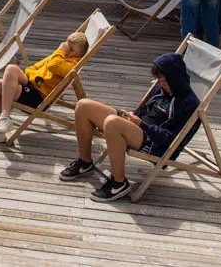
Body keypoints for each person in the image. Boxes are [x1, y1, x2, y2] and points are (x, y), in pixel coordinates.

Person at [58, 53, 200, 202]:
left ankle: (119, 183)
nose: (161, 84)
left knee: (112, 122)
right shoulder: (161, 89)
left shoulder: (189, 104)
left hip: (153, 141)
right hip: (138, 126)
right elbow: (145, 111)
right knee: (83, 106)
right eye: (159, 80)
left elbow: (170, 140)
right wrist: (133, 117)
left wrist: (141, 124)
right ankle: (85, 162)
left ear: (175, 78)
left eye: (164, 81)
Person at [0, 31, 88, 144]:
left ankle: (5, 117)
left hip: (38, 98)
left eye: (71, 50)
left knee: (5, 78)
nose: (67, 50)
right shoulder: (59, 57)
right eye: (67, 45)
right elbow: (33, 68)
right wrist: (31, 77)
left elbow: (53, 66)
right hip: (31, 85)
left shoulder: (71, 65)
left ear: (80, 55)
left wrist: (60, 51)